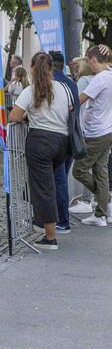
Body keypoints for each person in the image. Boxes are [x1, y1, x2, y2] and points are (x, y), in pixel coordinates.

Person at [9, 53, 72, 250]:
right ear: (52, 68)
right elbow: (70, 110)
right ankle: (42, 221)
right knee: (47, 184)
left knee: (44, 189)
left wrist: (30, 115)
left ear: (32, 68)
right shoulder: (63, 88)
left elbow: (14, 115)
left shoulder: (31, 90)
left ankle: (50, 236)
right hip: (62, 141)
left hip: (40, 142)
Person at [74, 45, 112, 227]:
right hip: (107, 129)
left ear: (93, 60)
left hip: (96, 132)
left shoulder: (100, 79)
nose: (89, 64)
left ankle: (104, 202)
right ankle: (102, 213)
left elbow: (79, 101)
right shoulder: (110, 74)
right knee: (101, 172)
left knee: (79, 170)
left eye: (89, 61)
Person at [49, 52, 78, 234]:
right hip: (71, 138)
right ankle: (60, 217)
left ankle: (62, 220)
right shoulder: (72, 84)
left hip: (57, 137)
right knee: (61, 179)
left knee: (58, 180)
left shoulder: (53, 84)